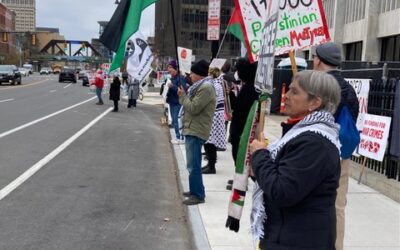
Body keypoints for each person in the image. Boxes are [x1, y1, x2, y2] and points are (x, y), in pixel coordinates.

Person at [249, 70, 342, 249]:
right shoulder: (300, 132)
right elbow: (285, 176)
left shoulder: (315, 142)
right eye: (289, 90)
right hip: (287, 234)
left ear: (315, 102)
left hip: (298, 240)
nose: (286, 96)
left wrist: (260, 155)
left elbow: (282, 191)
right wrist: (260, 168)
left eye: (294, 92)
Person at [313, 42, 359, 250]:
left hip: (318, 155)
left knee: (313, 205)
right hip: (342, 154)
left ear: (319, 60)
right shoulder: (349, 89)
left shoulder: (318, 88)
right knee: (338, 206)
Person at [177, 59, 216, 205]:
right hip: (193, 128)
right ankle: (195, 190)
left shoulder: (205, 88)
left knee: (193, 164)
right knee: (192, 163)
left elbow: (193, 108)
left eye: (192, 73)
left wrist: (182, 96)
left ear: (199, 74)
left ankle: (198, 195)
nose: (190, 76)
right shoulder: (200, 86)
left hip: (196, 130)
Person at [226, 58, 259, 190]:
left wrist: (232, 96)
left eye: (239, 70)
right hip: (241, 126)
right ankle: (240, 179)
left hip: (242, 128)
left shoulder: (250, 88)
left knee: (240, 155)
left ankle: (243, 181)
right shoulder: (250, 86)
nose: (237, 73)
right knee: (239, 155)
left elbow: (240, 107)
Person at [202, 67, 226, 174]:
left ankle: (211, 166)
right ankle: (210, 164)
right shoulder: (216, 83)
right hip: (215, 114)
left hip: (213, 115)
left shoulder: (214, 85)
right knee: (209, 141)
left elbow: (210, 100)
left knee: (210, 142)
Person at [166, 60, 187, 144]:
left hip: (178, 102)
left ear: (175, 69)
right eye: (168, 67)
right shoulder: (171, 78)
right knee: (174, 121)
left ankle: (181, 137)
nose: (168, 69)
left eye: (170, 67)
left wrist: (173, 86)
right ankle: (177, 136)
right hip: (171, 101)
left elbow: (183, 90)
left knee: (177, 120)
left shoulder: (180, 78)